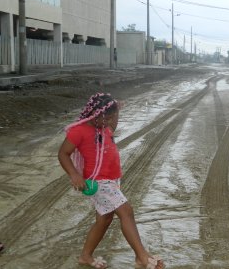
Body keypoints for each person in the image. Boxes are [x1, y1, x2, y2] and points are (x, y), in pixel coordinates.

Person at [58, 93, 164, 269]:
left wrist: (115, 111)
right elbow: (63, 153)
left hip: (112, 180)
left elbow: (112, 124)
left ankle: (85, 256)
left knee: (105, 219)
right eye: (107, 118)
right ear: (95, 114)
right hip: (98, 182)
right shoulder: (79, 131)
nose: (109, 123)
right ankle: (141, 257)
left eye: (112, 118)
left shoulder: (104, 127)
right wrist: (74, 174)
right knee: (126, 211)